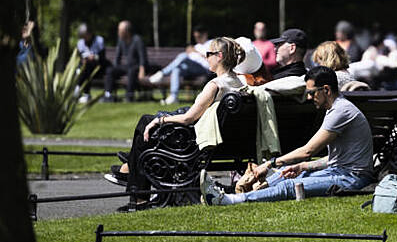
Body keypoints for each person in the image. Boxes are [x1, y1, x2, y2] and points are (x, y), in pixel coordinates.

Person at [200, 65, 375, 205]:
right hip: (340, 171)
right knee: (289, 172)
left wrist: (269, 164)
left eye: (312, 93)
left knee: (291, 185)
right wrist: (304, 166)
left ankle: (229, 200)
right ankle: (246, 193)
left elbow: (308, 151)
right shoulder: (336, 108)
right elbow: (337, 158)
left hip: (351, 178)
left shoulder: (341, 111)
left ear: (326, 90)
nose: (309, 97)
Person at [104, 37, 246, 210]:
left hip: (195, 141)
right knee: (150, 125)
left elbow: (188, 119)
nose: (206, 57)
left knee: (146, 123)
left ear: (220, 56)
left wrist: (161, 120)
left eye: (208, 54)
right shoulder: (239, 82)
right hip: (226, 142)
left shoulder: (215, 85)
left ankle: (135, 188)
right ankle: (131, 168)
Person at [148, 26, 213, 105]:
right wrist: (190, 51)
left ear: (205, 34)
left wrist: (195, 52)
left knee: (183, 56)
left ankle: (162, 73)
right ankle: (173, 96)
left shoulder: (211, 43)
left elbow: (212, 58)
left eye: (199, 37)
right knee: (177, 69)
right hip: (190, 69)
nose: (197, 39)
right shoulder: (196, 46)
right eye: (195, 37)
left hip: (204, 69)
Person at [103, 20, 148, 102]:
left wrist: (142, 71)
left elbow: (143, 57)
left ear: (126, 31)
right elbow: (117, 57)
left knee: (132, 71)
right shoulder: (121, 40)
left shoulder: (137, 40)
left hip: (137, 66)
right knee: (110, 70)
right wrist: (115, 68)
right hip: (128, 66)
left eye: (120, 30)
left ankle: (129, 96)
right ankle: (108, 95)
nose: (118, 32)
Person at [75, 23, 108, 102]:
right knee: (82, 68)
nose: (84, 38)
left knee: (86, 68)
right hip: (85, 67)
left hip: (98, 67)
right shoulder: (80, 43)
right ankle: (81, 92)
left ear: (90, 33)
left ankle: (79, 91)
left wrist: (95, 57)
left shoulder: (99, 40)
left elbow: (102, 57)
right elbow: (79, 57)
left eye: (85, 35)